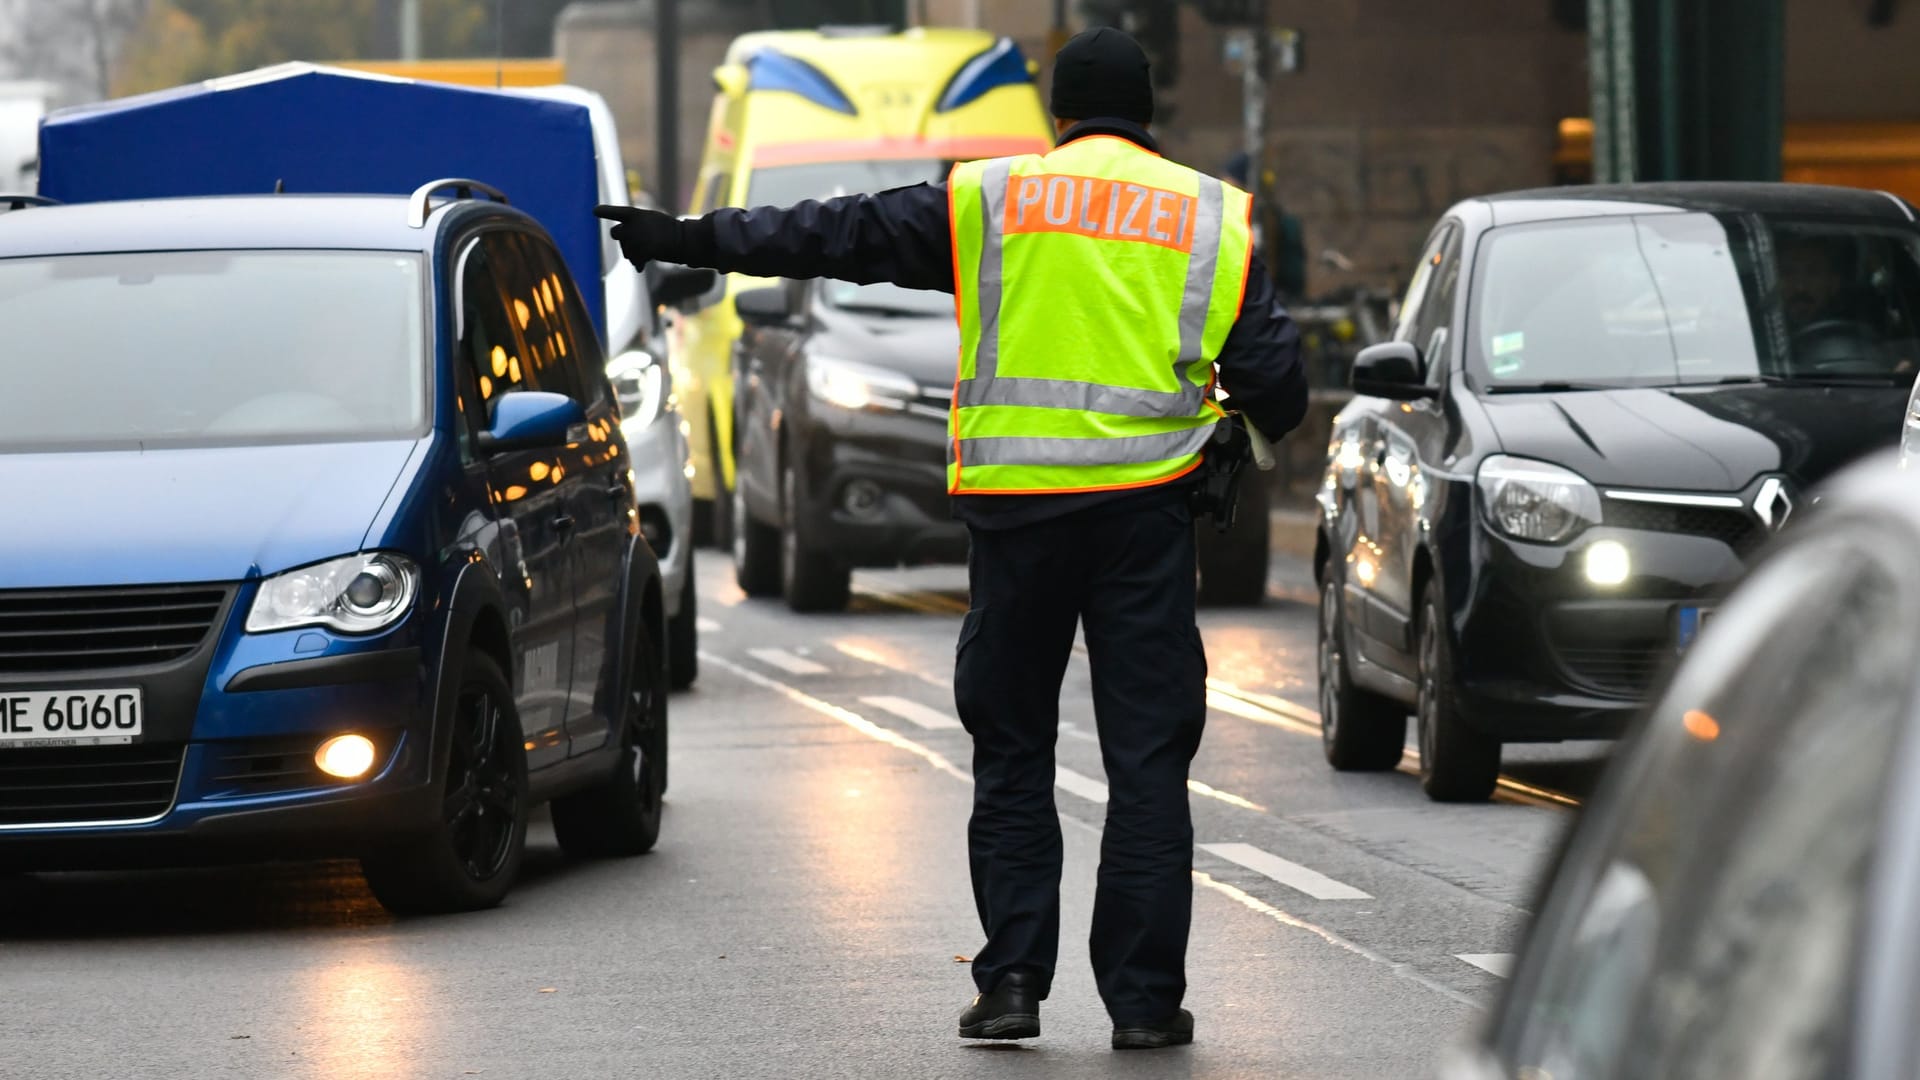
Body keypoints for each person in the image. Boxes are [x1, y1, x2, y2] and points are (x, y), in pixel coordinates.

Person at [596, 27, 1308, 1052]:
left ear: (1060, 113)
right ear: (1148, 114)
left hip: (1016, 522)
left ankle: (1013, 981)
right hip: (1143, 517)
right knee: (1147, 762)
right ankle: (1145, 1003)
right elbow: (1279, 385)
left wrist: (692, 236)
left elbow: (835, 234)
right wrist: (1224, 414)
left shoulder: (992, 200)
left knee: (1013, 750)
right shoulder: (1210, 216)